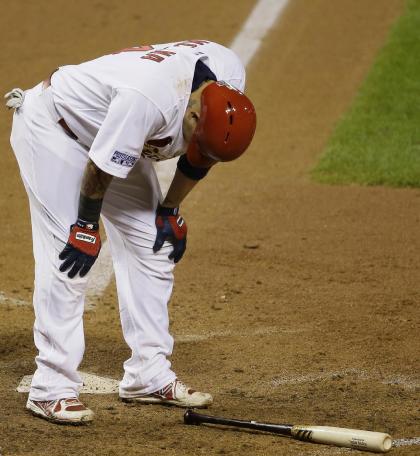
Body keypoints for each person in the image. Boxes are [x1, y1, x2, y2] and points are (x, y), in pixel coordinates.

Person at [5, 39, 256, 425]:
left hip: (116, 134)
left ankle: (148, 375)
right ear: (191, 116)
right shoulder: (149, 99)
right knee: (69, 256)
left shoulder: (227, 85)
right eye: (194, 136)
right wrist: (86, 226)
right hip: (58, 131)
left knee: (153, 244)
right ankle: (50, 388)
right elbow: (100, 170)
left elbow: (202, 156)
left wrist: (170, 209)